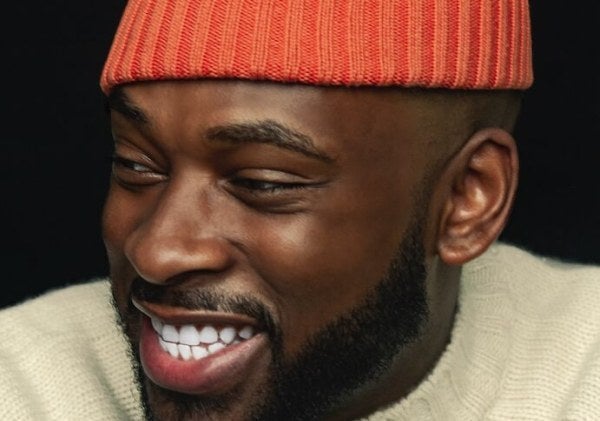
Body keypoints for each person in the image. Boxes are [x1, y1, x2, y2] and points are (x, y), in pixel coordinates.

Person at [1, 1, 599, 420]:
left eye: (262, 182)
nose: (157, 251)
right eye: (136, 165)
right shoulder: (22, 383)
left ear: (469, 199)